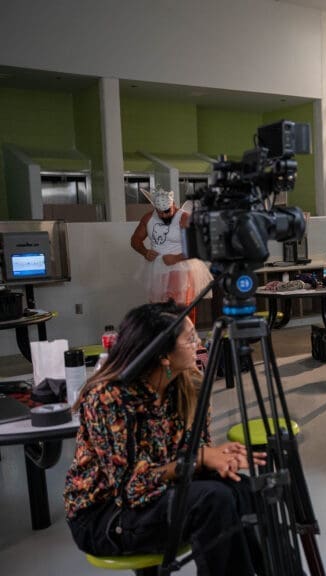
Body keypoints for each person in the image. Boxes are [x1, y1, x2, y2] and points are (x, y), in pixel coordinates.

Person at [64, 301, 265, 576]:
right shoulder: (109, 397)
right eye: (190, 339)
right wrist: (199, 459)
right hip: (105, 514)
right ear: (163, 356)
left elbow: (194, 449)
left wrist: (218, 458)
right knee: (213, 501)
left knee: (243, 489)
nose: (198, 344)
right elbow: (130, 489)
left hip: (159, 492)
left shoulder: (187, 384)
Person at [130, 189, 212, 323]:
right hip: (157, 268)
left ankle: (186, 334)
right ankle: (164, 336)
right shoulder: (148, 218)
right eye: (160, 212)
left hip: (181, 267)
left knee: (182, 308)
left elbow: (198, 245)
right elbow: (135, 240)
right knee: (158, 309)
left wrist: (176, 258)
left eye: (167, 211)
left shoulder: (184, 218)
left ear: (173, 205)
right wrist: (145, 252)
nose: (163, 215)